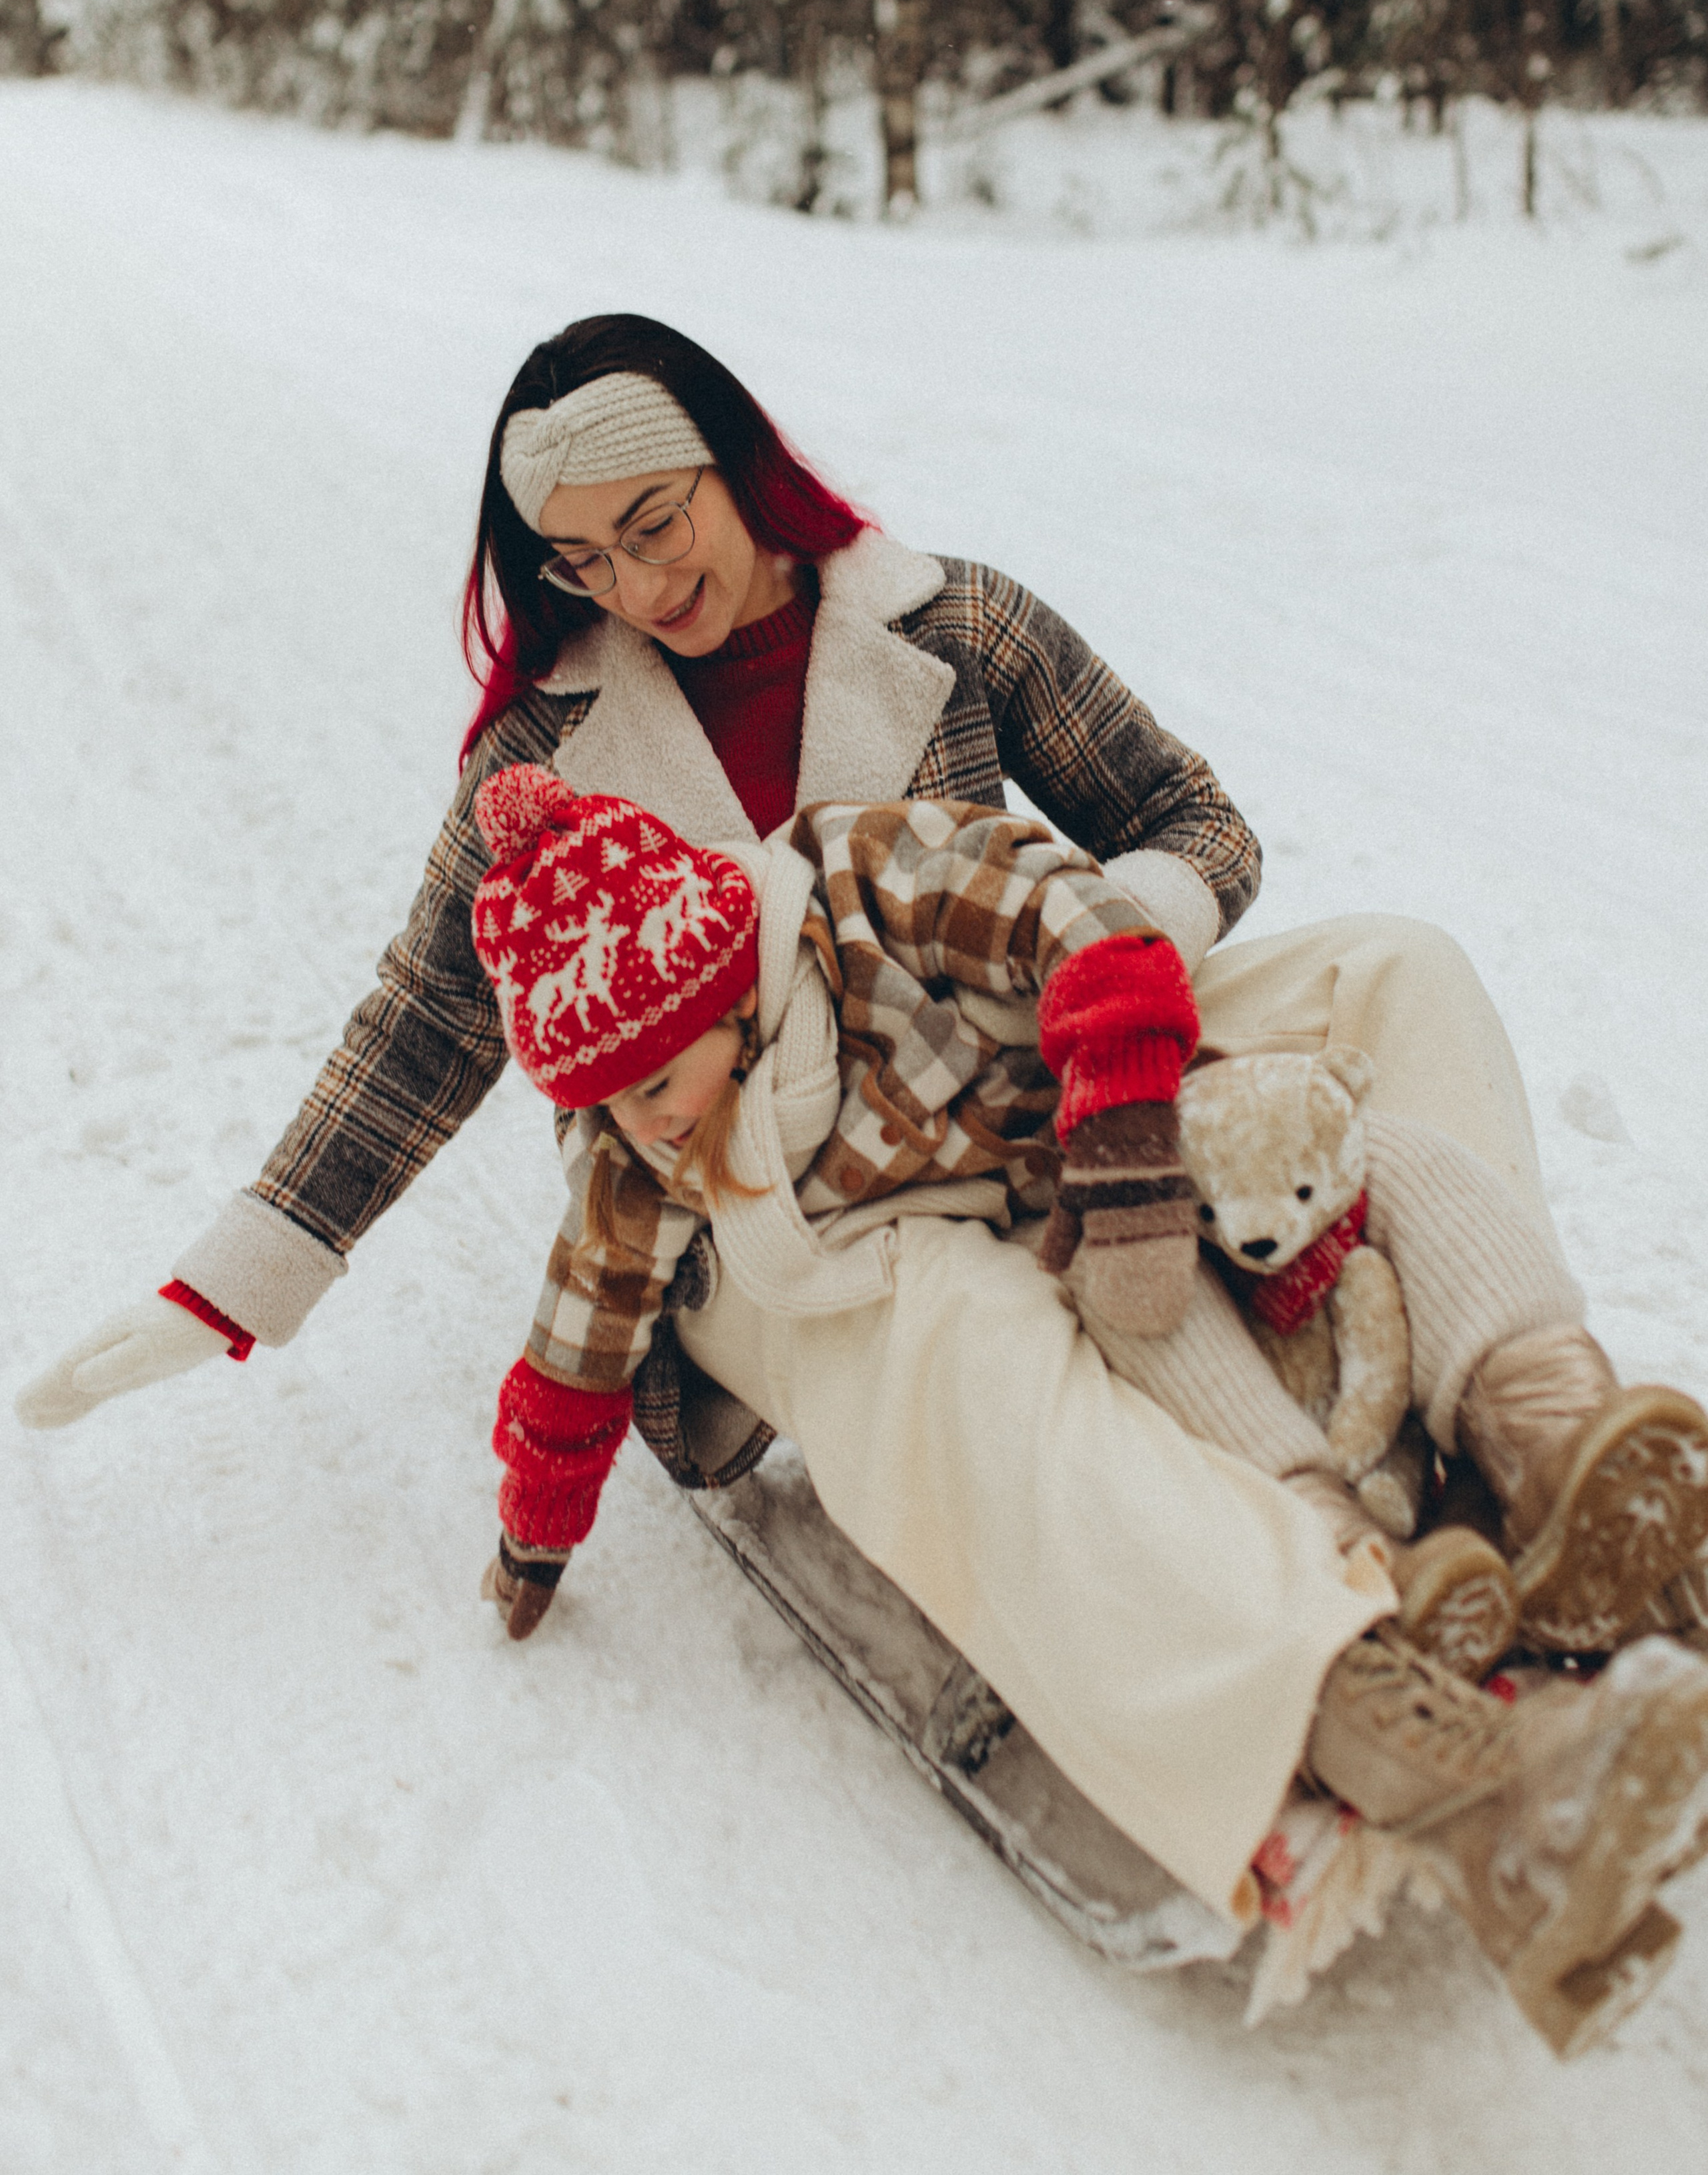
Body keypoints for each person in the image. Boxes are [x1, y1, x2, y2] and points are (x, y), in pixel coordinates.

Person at [16, 313, 1705, 2053]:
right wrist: (227, 1286)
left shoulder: (945, 621)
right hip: (745, 1195)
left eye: (655, 523)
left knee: (1396, 969)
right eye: (581, 557)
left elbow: (1199, 824)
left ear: (735, 466)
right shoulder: (539, 752)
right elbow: (421, 1033)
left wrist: (1094, 991)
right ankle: (1382, 1720)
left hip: (1011, 1043)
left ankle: (1532, 1456)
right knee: (954, 1321)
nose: (633, 578)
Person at [454, 764, 1708, 2060]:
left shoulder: (860, 871)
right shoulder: (636, 1144)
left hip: (1063, 1106)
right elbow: (575, 1349)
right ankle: (1451, 1770)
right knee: (988, 1339)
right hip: (865, 1253)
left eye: (652, 1086)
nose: (639, 1125)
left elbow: (1088, 906)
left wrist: (1126, 1137)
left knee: (1393, 985)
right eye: (606, 1101)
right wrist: (531, 1535)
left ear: (724, 983)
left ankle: (1548, 1473)